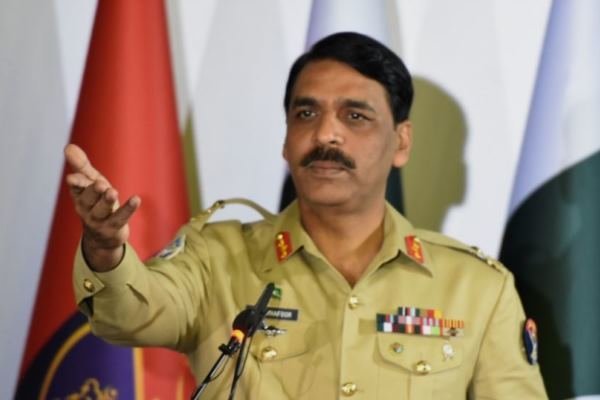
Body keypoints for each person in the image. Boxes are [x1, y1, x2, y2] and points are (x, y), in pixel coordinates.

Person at [67, 32, 547, 399]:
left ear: (401, 142)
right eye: (306, 114)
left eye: (355, 116)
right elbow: (129, 317)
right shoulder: (216, 258)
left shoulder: (477, 288)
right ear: (285, 139)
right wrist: (105, 250)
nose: (325, 135)